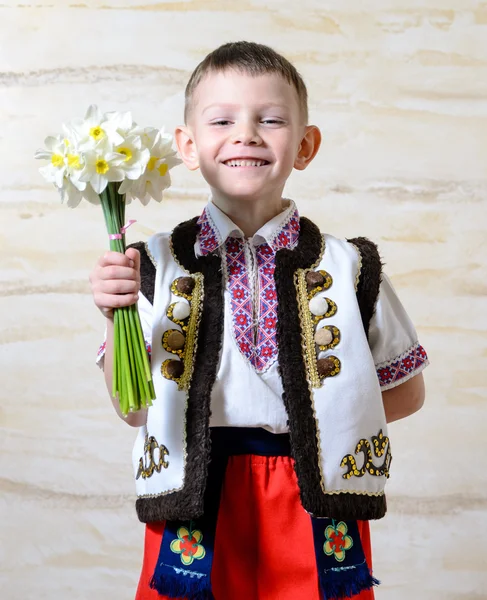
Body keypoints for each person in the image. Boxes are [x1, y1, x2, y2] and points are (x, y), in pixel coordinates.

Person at [90, 41, 428, 600]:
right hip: (197, 492)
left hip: (312, 495)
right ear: (188, 146)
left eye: (270, 120)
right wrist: (114, 314)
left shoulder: (351, 267)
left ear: (305, 145)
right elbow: (133, 409)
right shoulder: (151, 264)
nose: (245, 134)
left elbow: (407, 393)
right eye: (222, 119)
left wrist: (324, 418)